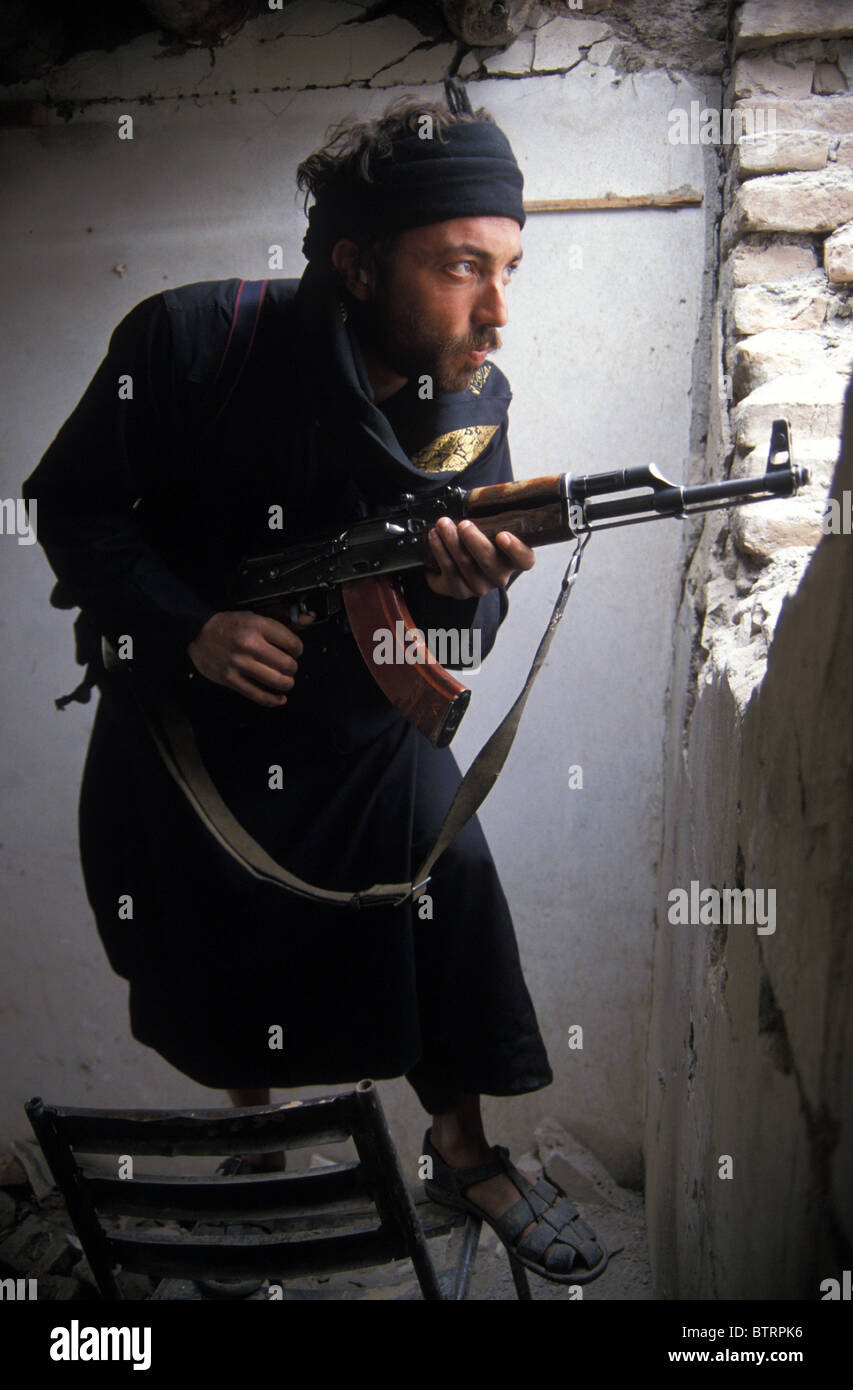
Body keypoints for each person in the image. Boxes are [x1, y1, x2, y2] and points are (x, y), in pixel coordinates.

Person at [23, 95, 607, 1286]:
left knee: (447, 888)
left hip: (362, 715)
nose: (496, 309)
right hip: (191, 724)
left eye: (507, 269)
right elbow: (72, 506)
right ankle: (260, 1142)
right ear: (354, 262)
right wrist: (192, 630)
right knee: (222, 930)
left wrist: (456, 592)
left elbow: (469, 622)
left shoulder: (469, 402)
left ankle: (464, 1150)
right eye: (459, 267)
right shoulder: (191, 342)